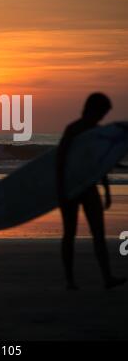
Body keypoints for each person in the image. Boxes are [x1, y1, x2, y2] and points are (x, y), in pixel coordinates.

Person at [57, 93, 126, 290]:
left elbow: (100, 164)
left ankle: (107, 278)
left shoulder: (98, 132)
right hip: (71, 188)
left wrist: (106, 190)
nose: (103, 117)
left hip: (88, 187)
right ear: (92, 109)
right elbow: (60, 161)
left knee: (99, 233)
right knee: (70, 233)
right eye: (102, 112)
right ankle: (70, 281)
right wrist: (61, 190)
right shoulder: (73, 129)